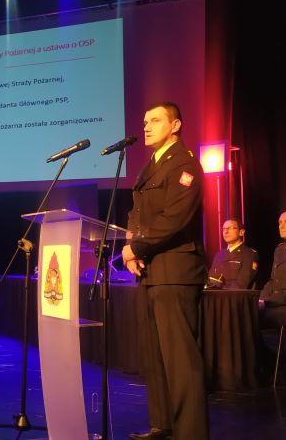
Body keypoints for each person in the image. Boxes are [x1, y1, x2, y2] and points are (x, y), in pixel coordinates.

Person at [122, 102, 208, 440]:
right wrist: (130, 248)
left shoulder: (184, 164)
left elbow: (176, 218)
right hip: (150, 271)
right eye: (145, 121)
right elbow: (135, 214)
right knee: (155, 356)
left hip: (176, 270)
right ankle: (163, 424)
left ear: (175, 126)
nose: (146, 126)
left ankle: (191, 433)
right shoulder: (149, 167)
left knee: (181, 360)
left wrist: (137, 248)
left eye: (155, 120)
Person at [206, 218, 259, 290]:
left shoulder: (249, 254)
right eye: (224, 229)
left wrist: (222, 292)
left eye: (230, 228)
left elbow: (242, 284)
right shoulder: (219, 254)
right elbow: (211, 280)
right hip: (216, 295)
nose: (226, 232)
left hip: (235, 295)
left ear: (241, 232)